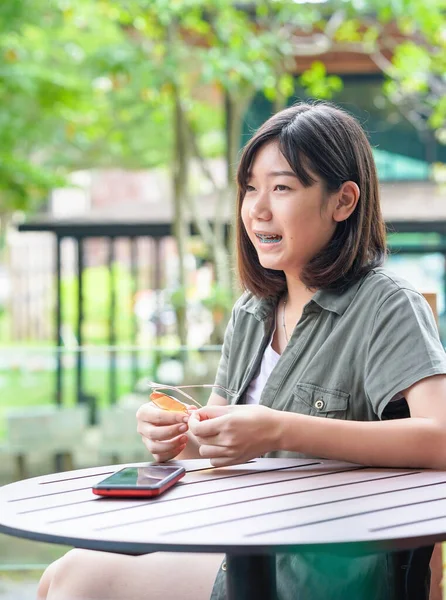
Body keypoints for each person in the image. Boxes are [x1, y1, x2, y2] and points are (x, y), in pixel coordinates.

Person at [37, 102, 446, 600]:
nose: (257, 208)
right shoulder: (253, 311)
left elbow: (440, 438)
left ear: (343, 201)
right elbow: (219, 445)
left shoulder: (387, 307)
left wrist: (279, 427)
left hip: (325, 566)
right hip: (239, 536)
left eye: (282, 187)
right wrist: (177, 435)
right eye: (250, 187)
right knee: (61, 575)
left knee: (75, 581)